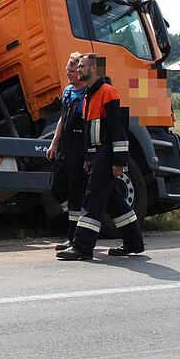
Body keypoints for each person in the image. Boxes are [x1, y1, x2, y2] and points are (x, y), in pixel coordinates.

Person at [57, 53, 146, 261]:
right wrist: (89, 157)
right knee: (112, 201)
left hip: (106, 156)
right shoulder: (89, 95)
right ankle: (134, 243)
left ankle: (82, 247)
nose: (78, 70)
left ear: (95, 69)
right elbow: (90, 131)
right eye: (78, 67)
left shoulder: (109, 93)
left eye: (82, 66)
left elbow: (119, 130)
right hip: (96, 156)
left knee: (93, 201)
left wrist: (119, 162)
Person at [46, 52, 86, 250]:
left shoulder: (89, 93)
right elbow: (63, 118)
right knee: (57, 188)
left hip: (79, 149)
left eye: (71, 70)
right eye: (67, 70)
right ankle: (77, 225)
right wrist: (54, 142)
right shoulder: (69, 91)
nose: (68, 73)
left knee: (76, 193)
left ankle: (74, 239)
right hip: (64, 148)